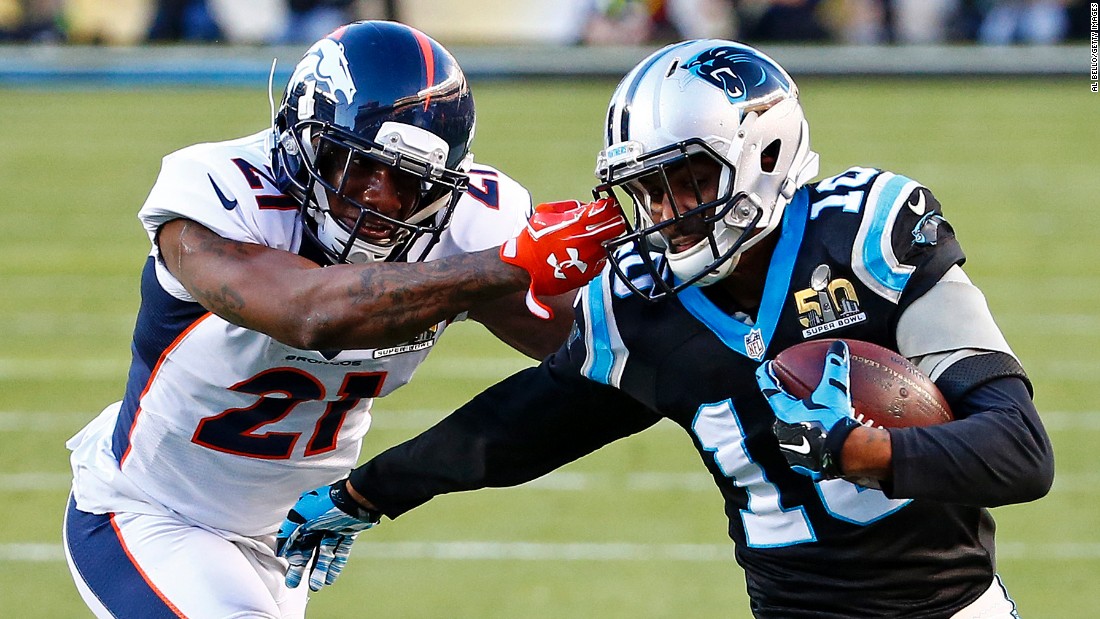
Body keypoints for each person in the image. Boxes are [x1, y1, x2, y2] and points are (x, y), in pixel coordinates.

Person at [277, 39, 1055, 616]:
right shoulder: (644, 305)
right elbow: (519, 427)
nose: (667, 215)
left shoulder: (868, 236)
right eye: (647, 190)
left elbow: (1021, 451)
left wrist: (867, 450)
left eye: (687, 181)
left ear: (766, 151)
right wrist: (365, 490)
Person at [62, 20, 623, 619]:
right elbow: (310, 314)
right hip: (152, 512)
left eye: (410, 180)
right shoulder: (221, 193)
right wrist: (510, 264)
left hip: (291, 537)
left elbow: (584, 348)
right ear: (308, 144)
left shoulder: (468, 223)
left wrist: (658, 278)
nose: (381, 197)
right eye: (357, 166)